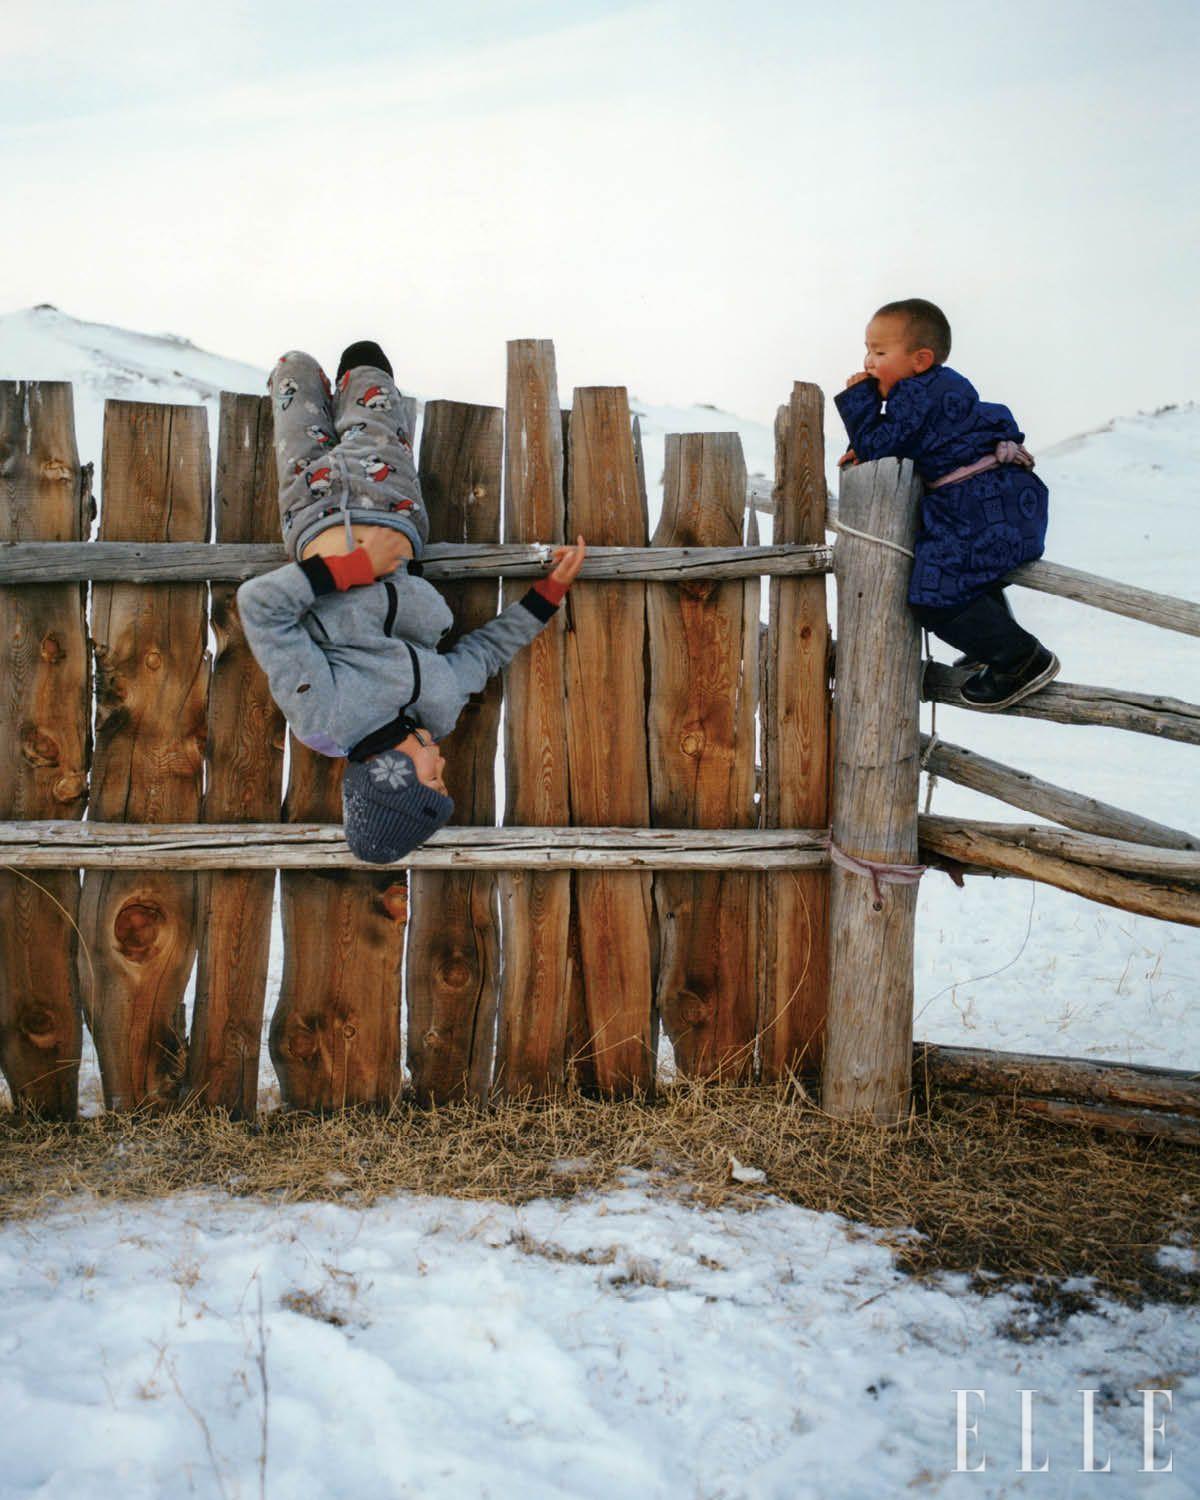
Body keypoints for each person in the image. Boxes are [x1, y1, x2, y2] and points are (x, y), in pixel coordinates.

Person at [238, 340, 585, 863]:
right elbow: (485, 655)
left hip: (312, 511)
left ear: (391, 777)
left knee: (293, 372)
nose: (442, 762)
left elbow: (263, 608)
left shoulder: (325, 718)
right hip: (390, 501)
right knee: (368, 365)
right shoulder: (440, 707)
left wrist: (352, 569)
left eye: (434, 778)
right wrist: (548, 594)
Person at [835, 299, 1058, 710]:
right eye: (867, 350)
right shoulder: (941, 391)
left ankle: (1019, 658)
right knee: (965, 578)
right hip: (1004, 501)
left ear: (920, 360)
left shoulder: (916, 395)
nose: (867, 363)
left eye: (880, 353)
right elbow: (901, 444)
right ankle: (988, 642)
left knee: (933, 597)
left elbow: (882, 443)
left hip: (979, 507)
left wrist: (860, 401)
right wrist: (864, 449)